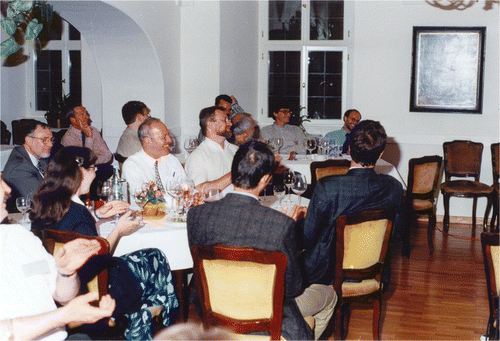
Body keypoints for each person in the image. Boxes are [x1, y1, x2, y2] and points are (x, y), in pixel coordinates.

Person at [187, 141, 336, 340]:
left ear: (233, 172)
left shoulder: (196, 215)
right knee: (329, 295)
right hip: (269, 319)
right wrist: (285, 231)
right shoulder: (280, 225)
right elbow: (293, 288)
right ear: (266, 180)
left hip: (216, 313)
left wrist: (282, 230)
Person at [0, 174, 116, 340]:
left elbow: (62, 296)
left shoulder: (18, 236)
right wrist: (63, 316)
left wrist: (66, 272)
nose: (8, 189)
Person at [302, 120, 403, 285]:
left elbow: (309, 236)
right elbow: (396, 234)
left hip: (327, 274)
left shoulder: (328, 187)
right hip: (374, 271)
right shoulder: (394, 187)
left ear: (348, 149)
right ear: (380, 154)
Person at [30, 146, 140, 254]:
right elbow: (96, 260)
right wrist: (118, 231)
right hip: (85, 271)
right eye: (93, 168)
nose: (95, 174)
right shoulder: (78, 211)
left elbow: (68, 225)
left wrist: (96, 215)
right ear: (82, 172)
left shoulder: (43, 203)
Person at [122, 118, 186, 208]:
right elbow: (147, 200)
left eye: (169, 135)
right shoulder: (132, 165)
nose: (170, 140)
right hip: (144, 217)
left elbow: (186, 186)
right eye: (164, 137)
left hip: (174, 214)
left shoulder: (172, 160)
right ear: (147, 140)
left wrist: (195, 194)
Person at [62, 105, 114, 200]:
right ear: (73, 120)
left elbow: (108, 155)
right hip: (79, 177)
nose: (87, 117)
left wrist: (92, 162)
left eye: (86, 114)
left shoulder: (93, 130)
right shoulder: (68, 138)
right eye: (82, 115)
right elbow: (84, 162)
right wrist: (89, 138)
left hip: (96, 172)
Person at [3, 119, 53, 211]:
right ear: (29, 141)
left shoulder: (40, 158)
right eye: (44, 140)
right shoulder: (19, 169)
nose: (50, 144)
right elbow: (41, 201)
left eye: (51, 139)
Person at [186, 106, 238, 194]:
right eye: (225, 120)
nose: (230, 124)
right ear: (210, 124)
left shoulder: (235, 149)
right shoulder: (198, 156)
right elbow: (199, 190)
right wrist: (236, 173)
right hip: (215, 207)